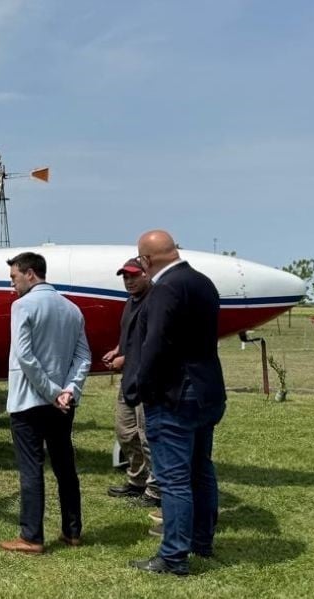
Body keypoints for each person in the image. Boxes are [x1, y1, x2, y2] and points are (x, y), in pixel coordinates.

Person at [125, 231, 226, 576]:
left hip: (174, 395)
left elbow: (156, 345)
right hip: (207, 389)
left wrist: (140, 387)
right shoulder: (203, 283)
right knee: (201, 469)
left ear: (147, 261)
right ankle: (201, 540)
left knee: (174, 479)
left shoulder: (165, 289)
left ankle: (173, 555)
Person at [0, 251, 92, 555]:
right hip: (63, 403)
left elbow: (25, 356)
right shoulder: (73, 310)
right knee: (65, 465)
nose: (11, 284)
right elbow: (83, 357)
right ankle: (72, 531)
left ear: (29, 274)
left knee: (31, 468)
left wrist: (51, 391)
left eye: (13, 277)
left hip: (29, 400)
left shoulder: (22, 306)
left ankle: (32, 536)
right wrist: (69, 390)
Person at [101, 258, 160, 508]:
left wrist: (125, 358)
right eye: (125, 277)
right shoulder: (131, 302)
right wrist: (118, 349)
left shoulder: (155, 302)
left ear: (147, 274)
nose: (129, 281)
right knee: (125, 432)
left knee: (149, 436)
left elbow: (154, 342)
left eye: (134, 276)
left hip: (148, 380)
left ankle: (157, 490)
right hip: (130, 379)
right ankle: (137, 480)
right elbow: (129, 337)